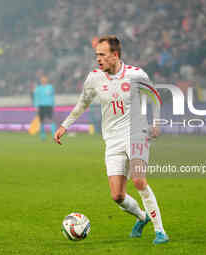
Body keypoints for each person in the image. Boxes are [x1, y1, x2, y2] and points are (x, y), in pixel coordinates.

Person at [54, 36, 168, 244]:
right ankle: (142, 217)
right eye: (96, 55)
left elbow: (155, 96)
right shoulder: (94, 78)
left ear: (115, 56)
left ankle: (160, 231)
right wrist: (65, 125)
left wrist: (157, 123)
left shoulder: (136, 74)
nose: (98, 59)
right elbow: (82, 103)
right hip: (112, 139)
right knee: (117, 195)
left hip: (136, 134)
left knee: (139, 181)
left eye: (102, 55)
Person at [34, 76, 56, 140]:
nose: (43, 81)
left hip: (47, 105)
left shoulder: (49, 87)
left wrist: (53, 105)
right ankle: (43, 135)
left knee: (50, 120)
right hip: (42, 106)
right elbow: (36, 98)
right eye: (43, 80)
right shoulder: (39, 88)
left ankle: (53, 134)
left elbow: (52, 97)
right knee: (42, 121)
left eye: (44, 80)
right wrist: (36, 106)